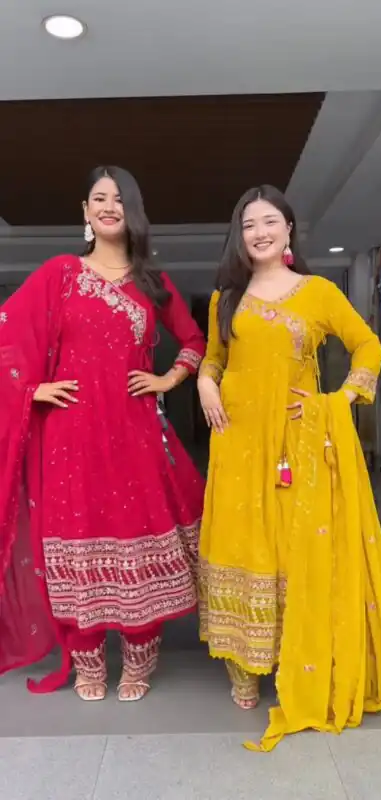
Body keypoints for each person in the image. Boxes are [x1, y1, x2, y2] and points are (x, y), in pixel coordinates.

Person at [197, 184, 381, 751]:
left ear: (288, 229)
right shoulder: (225, 298)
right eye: (248, 225)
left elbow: (368, 346)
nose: (259, 233)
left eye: (269, 221)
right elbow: (214, 357)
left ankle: (296, 656)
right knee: (241, 540)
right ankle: (243, 663)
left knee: (291, 545)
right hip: (235, 440)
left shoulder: (318, 293)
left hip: (296, 442)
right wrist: (206, 382)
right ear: (239, 237)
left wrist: (339, 400)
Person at [0, 166, 205, 701]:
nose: (109, 206)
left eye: (120, 198)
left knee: (136, 535)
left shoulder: (152, 283)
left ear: (134, 211)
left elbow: (194, 341)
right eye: (99, 198)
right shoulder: (61, 273)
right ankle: (88, 662)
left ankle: (139, 658)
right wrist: (31, 389)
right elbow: (7, 331)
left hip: (135, 435)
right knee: (75, 539)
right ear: (85, 212)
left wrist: (167, 378)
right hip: (68, 437)